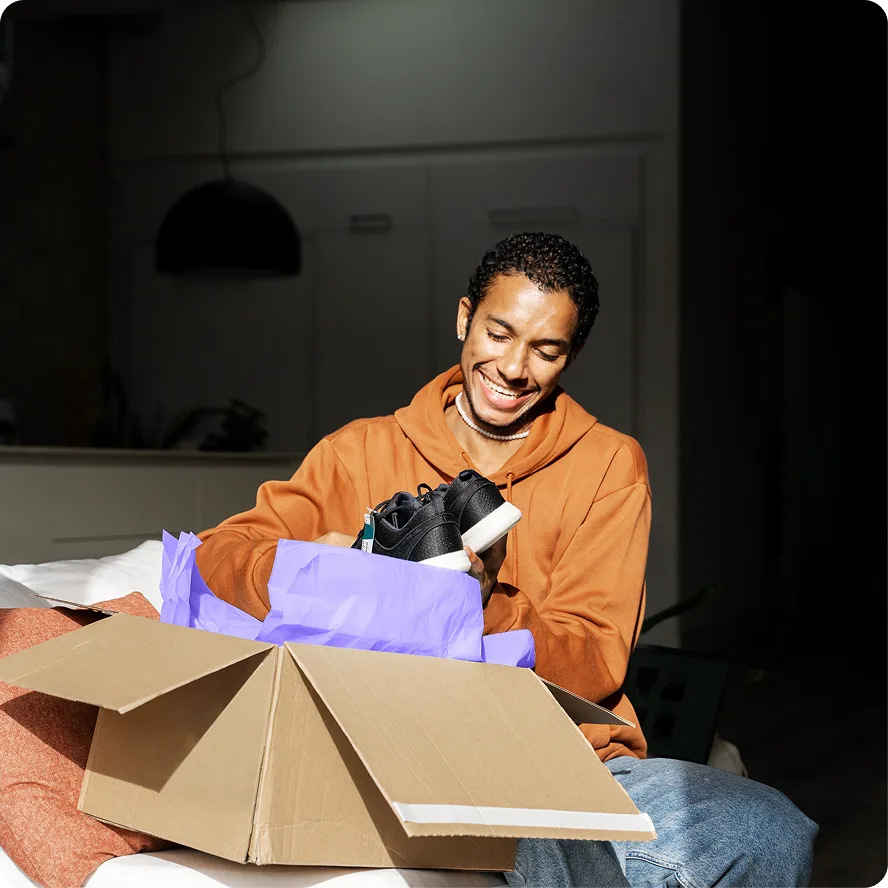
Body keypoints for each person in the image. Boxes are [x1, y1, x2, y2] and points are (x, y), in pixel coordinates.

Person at [196, 232, 817, 887]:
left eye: (546, 351)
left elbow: (595, 656)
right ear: (464, 318)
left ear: (571, 356)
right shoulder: (357, 451)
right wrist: (321, 570)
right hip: (402, 746)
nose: (515, 368)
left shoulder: (608, 464)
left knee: (769, 830)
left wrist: (477, 605)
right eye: (498, 333)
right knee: (520, 825)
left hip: (567, 756)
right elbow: (217, 557)